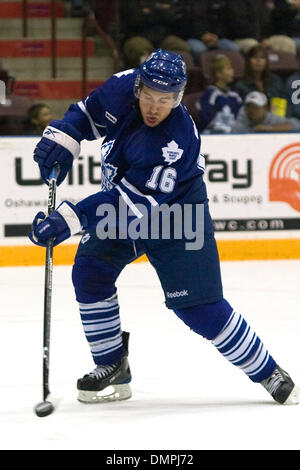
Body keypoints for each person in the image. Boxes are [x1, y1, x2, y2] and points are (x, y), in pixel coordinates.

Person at [28, 49, 299, 405]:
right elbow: (85, 116)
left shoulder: (174, 139)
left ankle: (268, 371)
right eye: (150, 96)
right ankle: (112, 365)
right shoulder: (121, 86)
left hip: (176, 216)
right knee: (90, 273)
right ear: (138, 86)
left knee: (199, 308)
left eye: (166, 99)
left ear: (179, 97)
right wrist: (63, 138)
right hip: (122, 205)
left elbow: (130, 205)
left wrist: (70, 218)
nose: (155, 107)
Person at [234, 45, 288, 117]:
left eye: (262, 58)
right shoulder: (241, 85)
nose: (258, 61)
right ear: (248, 61)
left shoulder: (276, 80)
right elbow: (241, 110)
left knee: (295, 123)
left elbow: (286, 102)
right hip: (252, 120)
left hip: (276, 118)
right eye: (255, 57)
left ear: (266, 61)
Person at [197, 55, 242, 133]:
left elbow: (240, 117)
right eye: (229, 69)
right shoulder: (210, 95)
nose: (232, 71)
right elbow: (206, 119)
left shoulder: (235, 96)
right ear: (218, 73)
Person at [231, 90, 300, 132]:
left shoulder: (270, 117)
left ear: (265, 108)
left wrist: (269, 128)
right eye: (249, 107)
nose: (251, 111)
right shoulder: (242, 118)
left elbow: (296, 124)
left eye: (256, 108)